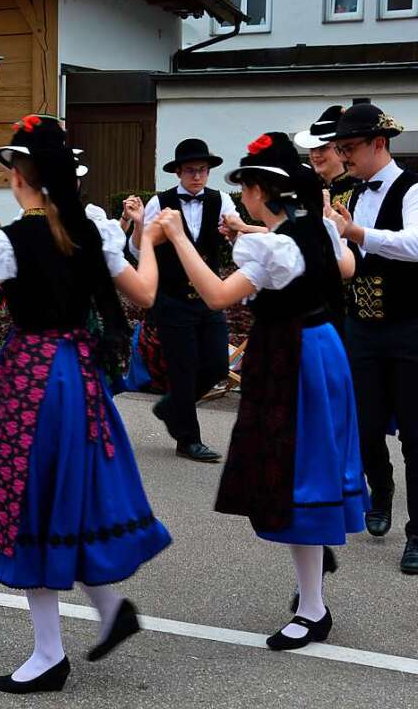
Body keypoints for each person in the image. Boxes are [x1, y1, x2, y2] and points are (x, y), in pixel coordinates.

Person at [0, 114, 171, 694]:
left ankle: (50, 654)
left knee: (29, 500)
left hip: (32, 378)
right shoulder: (91, 233)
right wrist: (152, 243)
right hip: (79, 375)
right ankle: (108, 610)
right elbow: (147, 295)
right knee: (69, 492)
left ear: (20, 179)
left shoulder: (7, 242)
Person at [156, 131, 364, 649]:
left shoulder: (272, 245)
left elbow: (217, 295)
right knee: (309, 467)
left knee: (296, 473)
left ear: (255, 191)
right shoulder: (315, 229)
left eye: (244, 185)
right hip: (322, 348)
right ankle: (312, 585)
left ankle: (314, 606)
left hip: (289, 356)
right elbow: (347, 268)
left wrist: (179, 238)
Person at [325, 103, 418, 574]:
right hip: (361, 326)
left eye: (349, 147)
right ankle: (379, 494)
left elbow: (416, 245)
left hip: (409, 329)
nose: (343, 156)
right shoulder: (351, 193)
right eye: (339, 148)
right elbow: (346, 254)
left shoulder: (413, 188)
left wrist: (357, 231)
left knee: (416, 435)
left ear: (378, 143)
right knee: (365, 425)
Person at [126, 138, 239, 463]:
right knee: (183, 369)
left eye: (202, 170)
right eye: (190, 171)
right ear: (178, 172)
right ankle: (188, 439)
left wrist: (235, 232)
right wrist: (139, 228)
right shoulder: (159, 203)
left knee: (218, 363)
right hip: (172, 299)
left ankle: (172, 404)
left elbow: (236, 238)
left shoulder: (221, 202)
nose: (197, 177)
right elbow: (137, 251)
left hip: (207, 298)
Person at [294, 105, 359, 209]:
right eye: (312, 149)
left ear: (341, 149)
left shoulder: (357, 187)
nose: (315, 155)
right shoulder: (308, 187)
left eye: (323, 148)